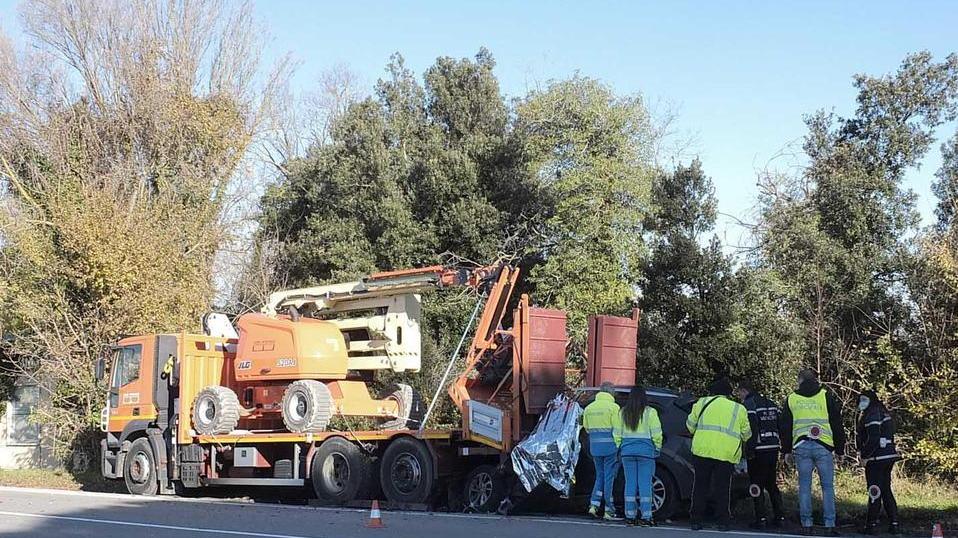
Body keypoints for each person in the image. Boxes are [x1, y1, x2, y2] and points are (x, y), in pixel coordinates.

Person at [781, 369, 846, 536]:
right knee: (827, 487)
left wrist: (786, 451)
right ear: (815, 380)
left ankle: (806, 524)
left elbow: (785, 427)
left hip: (801, 446)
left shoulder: (792, 398)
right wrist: (840, 449)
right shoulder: (825, 395)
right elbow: (836, 423)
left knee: (804, 486)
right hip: (823, 445)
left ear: (800, 380)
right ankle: (830, 524)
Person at [687, 377, 751, 532]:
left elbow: (690, 426)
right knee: (722, 488)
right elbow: (746, 434)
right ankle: (723, 521)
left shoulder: (701, 403)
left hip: (702, 451)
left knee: (700, 486)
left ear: (712, 391)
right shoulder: (738, 409)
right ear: (729, 393)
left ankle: (696, 520)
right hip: (726, 453)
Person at [735, 381, 785, 530]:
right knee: (771, 483)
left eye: (739, 393)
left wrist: (749, 451)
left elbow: (752, 428)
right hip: (773, 448)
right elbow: (780, 425)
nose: (739, 396)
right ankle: (780, 517)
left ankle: (760, 519)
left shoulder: (749, 405)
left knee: (756, 484)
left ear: (744, 391)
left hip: (758, 449)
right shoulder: (771, 403)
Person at [613, 385, 663, 527]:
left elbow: (616, 433)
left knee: (630, 483)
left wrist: (620, 447)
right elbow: (657, 433)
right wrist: (657, 447)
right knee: (645, 484)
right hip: (646, 452)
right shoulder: (650, 412)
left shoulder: (623, 412)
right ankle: (646, 516)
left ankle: (630, 516)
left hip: (627, 452)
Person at [856, 389, 900, 535]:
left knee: (874, 491)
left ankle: (871, 525)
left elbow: (873, 438)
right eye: (860, 400)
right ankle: (894, 523)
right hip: (889, 456)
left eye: (864, 400)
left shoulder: (872, 414)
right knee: (886, 489)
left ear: (871, 400)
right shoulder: (883, 412)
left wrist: (865, 456)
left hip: (876, 458)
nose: (861, 403)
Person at [582, 381, 621, 520]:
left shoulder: (589, 408)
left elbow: (586, 428)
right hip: (610, 448)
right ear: (611, 393)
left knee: (600, 476)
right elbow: (618, 429)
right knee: (609, 478)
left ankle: (594, 505)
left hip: (595, 448)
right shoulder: (614, 408)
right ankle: (609, 510)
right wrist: (619, 446)